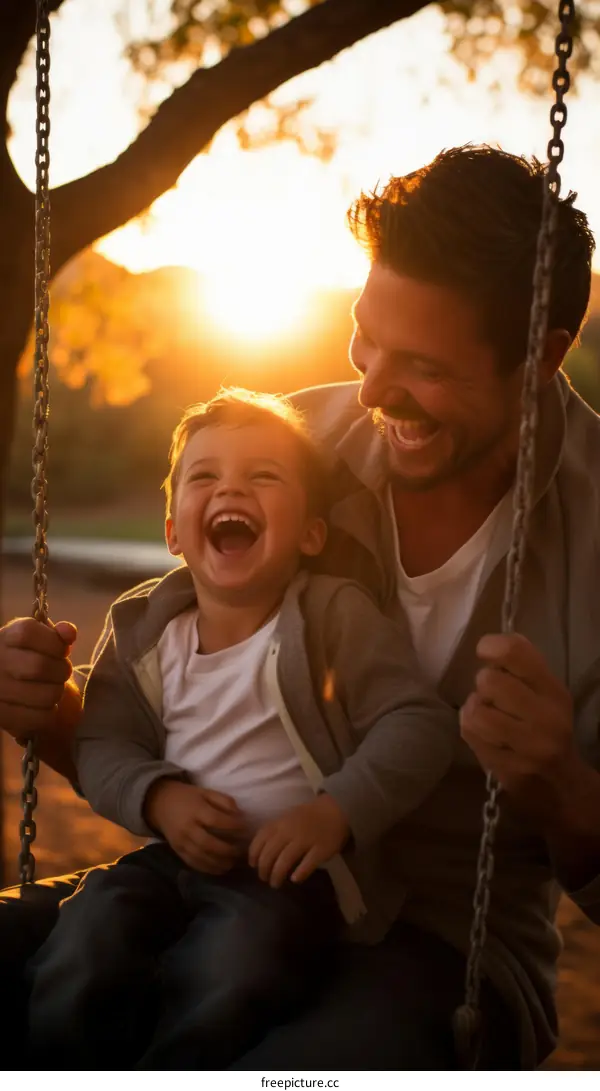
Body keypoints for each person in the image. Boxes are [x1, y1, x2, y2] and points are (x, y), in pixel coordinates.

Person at [1, 143, 599, 1071]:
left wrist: (563, 787)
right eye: (366, 340)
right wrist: (49, 712)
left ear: (542, 354)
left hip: (445, 948)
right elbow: (167, 723)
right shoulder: (282, 450)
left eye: (422, 365)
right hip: (210, 885)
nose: (369, 390)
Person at [25, 388, 456, 1070]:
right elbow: (105, 742)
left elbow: (419, 724)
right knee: (88, 933)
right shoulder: (143, 629)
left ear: (311, 533)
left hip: (286, 876)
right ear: (173, 531)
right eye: (205, 477)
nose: (232, 488)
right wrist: (159, 798)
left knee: (233, 965)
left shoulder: (333, 615)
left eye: (263, 476)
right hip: (170, 858)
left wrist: (334, 812)